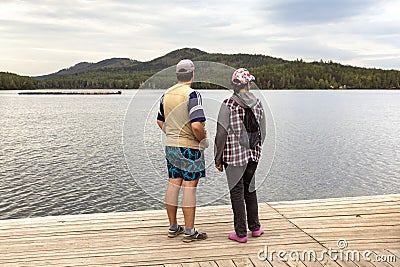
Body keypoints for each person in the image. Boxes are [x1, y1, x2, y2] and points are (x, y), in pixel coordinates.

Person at [156, 59, 208, 243]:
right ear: (192, 74)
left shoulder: (166, 94)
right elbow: (196, 125)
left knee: (173, 183)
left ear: (177, 75)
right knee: (189, 186)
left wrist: (172, 134)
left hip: (171, 146)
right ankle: (189, 231)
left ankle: (172, 227)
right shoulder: (192, 94)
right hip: (190, 147)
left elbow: (160, 121)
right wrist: (203, 140)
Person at [214, 68, 267, 243]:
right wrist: (256, 149)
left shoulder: (228, 104)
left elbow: (221, 134)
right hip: (253, 155)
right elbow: (263, 132)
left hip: (234, 157)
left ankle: (241, 233)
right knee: (250, 190)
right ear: (248, 84)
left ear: (234, 86)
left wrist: (218, 157)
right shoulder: (258, 103)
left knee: (237, 193)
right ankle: (256, 227)